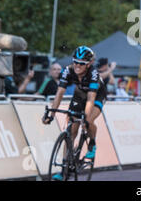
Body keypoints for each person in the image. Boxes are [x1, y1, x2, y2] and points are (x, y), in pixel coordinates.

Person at [42, 46, 107, 180]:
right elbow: (60, 92)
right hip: (79, 94)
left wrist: (85, 118)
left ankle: (92, 144)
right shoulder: (68, 70)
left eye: (81, 63)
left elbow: (91, 99)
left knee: (88, 121)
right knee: (71, 131)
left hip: (96, 95)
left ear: (88, 64)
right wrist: (52, 114)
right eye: (75, 62)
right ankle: (64, 169)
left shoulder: (93, 74)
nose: (77, 65)